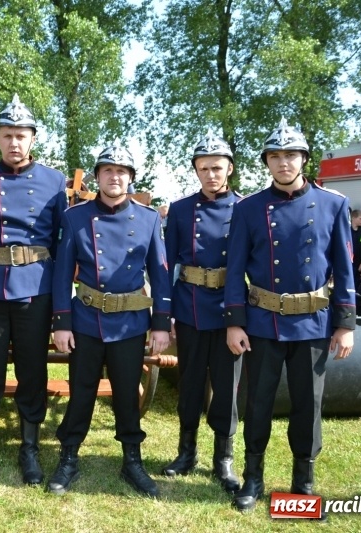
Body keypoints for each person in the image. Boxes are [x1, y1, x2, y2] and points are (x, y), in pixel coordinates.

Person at [224, 118, 355, 513]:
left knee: (308, 404)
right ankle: (252, 478)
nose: (284, 162)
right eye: (276, 156)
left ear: (304, 159)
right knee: (258, 402)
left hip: (314, 323)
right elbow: (234, 269)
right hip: (263, 322)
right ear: (266, 162)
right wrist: (235, 320)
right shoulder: (248, 208)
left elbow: (345, 266)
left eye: (291, 154)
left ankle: (304, 481)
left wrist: (345, 324)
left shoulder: (334, 204)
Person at [46, 145, 170, 497]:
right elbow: (61, 275)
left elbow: (160, 275)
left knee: (127, 395)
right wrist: (62, 322)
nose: (114, 177)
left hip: (130, 323)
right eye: (107, 171)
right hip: (86, 320)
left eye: (122, 172)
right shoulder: (76, 217)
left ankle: (132, 459)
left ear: (130, 178)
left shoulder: (148, 219)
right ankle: (68, 456)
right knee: (81, 391)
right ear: (97, 176)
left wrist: (161, 322)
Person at [0, 94, 68, 488]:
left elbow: (61, 243)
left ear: (33, 139)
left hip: (35, 288)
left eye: (21, 135)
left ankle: (30, 448)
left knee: (32, 369)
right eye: (7, 135)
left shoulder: (55, 182)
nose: (14, 143)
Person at [161, 131, 242, 494]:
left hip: (230, 310)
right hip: (190, 307)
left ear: (229, 168)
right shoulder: (179, 210)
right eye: (203, 168)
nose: (211, 174)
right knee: (190, 384)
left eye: (217, 167)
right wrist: (168, 315)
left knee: (226, 388)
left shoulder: (246, 208)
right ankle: (185, 452)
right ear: (195, 171)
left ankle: (223, 458)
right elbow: (166, 267)